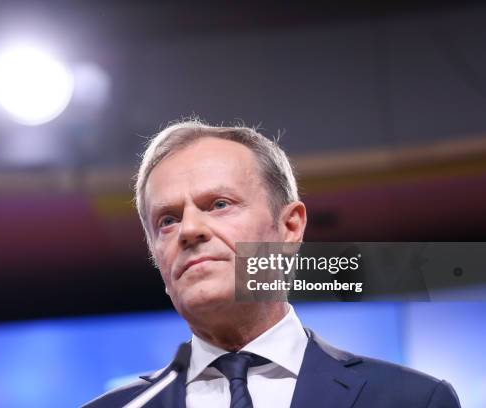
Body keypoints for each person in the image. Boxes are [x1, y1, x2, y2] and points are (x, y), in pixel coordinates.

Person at [83, 120, 460, 408]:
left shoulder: (411, 400)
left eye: (219, 204)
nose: (190, 230)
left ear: (290, 227)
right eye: (167, 220)